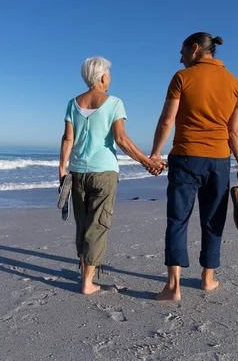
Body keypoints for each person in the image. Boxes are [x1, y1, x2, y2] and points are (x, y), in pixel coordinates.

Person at [149, 33, 238, 301]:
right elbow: (236, 132)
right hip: (220, 161)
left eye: (182, 51)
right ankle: (208, 279)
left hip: (185, 158)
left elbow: (166, 121)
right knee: (213, 219)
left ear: (195, 49)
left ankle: (173, 287)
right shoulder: (235, 83)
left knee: (178, 219)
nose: (180, 56)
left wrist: (155, 154)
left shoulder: (182, 77)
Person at [59, 56, 166, 295]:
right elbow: (121, 140)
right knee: (97, 225)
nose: (110, 79)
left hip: (77, 172)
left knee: (83, 223)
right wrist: (147, 162)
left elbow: (68, 139)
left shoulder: (72, 103)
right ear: (103, 76)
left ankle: (85, 272)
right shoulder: (114, 102)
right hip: (104, 172)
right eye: (109, 75)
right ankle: (88, 282)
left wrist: (62, 169)